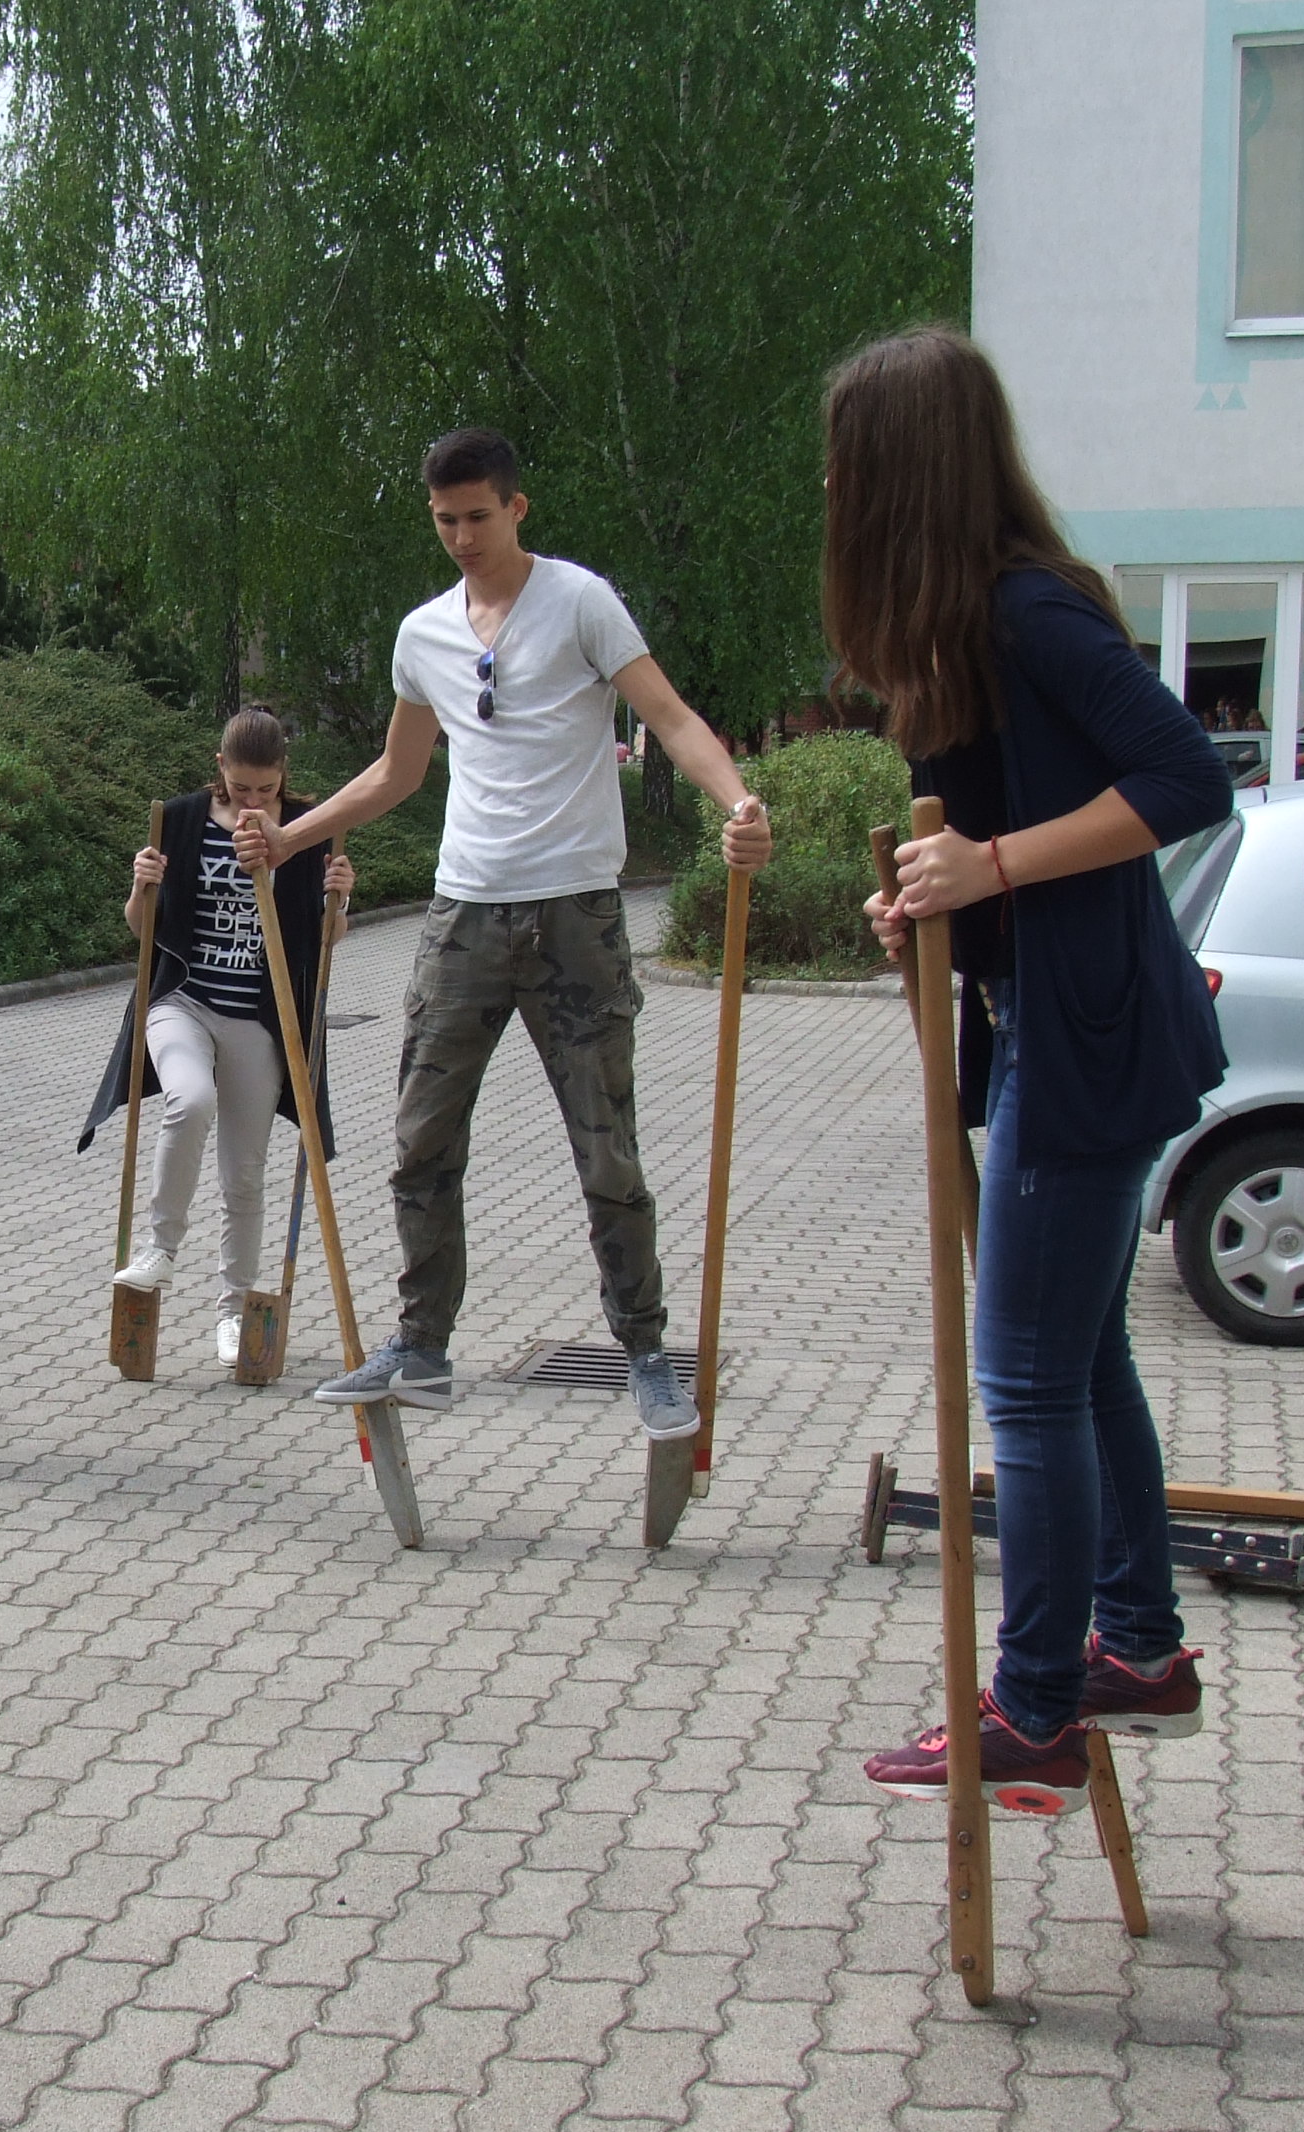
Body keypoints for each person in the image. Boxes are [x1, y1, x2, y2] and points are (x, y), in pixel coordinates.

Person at [827, 326, 1234, 1818]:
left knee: (1026, 1384)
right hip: (1057, 1034)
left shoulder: (1027, 612)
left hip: (1086, 1051)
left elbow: (1188, 778)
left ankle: (1037, 1708)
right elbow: (1011, 847)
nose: (831, 492)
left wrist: (989, 864)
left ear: (903, 474)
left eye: (847, 465)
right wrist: (938, 905)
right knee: (1084, 1361)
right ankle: (1137, 1647)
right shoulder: (966, 632)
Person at [230, 426, 772, 1439]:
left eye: (478, 516)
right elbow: (397, 772)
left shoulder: (580, 602)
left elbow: (669, 715)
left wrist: (737, 804)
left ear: (516, 508)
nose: (462, 536)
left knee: (605, 1150)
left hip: (575, 915)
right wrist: (291, 839)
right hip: (463, 914)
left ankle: (646, 1352)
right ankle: (421, 1346)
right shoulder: (423, 634)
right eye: (445, 520)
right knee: (419, 1141)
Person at [78, 707, 356, 1364]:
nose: (254, 802)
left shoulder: (307, 828)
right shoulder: (179, 821)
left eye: (267, 788)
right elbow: (143, 930)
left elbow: (324, 941)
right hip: (184, 1003)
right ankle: (160, 1250)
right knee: (189, 1099)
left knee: (244, 1175)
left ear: (283, 774)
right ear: (220, 769)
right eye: (241, 788)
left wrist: (339, 901)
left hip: (260, 1019)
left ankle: (234, 1313)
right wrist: (142, 888)